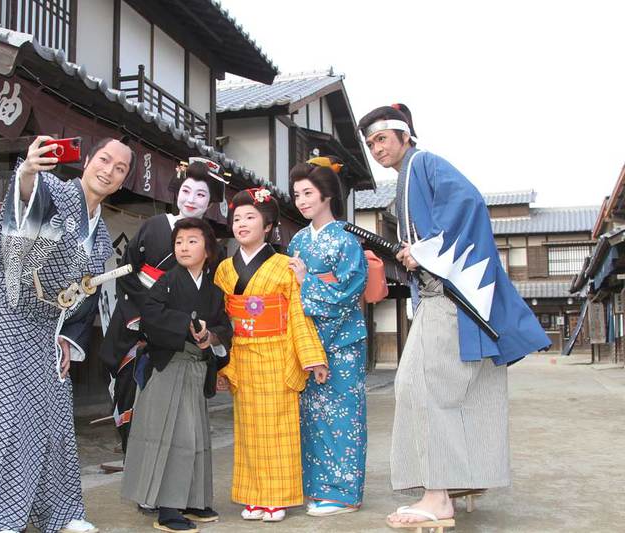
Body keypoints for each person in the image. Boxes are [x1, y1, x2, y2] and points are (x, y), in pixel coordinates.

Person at [356, 104, 550, 530]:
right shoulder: (411, 175)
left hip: (447, 297)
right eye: (370, 144)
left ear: (405, 135)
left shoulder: (423, 163)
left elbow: (468, 204)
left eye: (382, 139)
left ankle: (437, 495)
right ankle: (462, 480)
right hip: (445, 298)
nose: (377, 148)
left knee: (422, 388)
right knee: (461, 389)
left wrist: (424, 251)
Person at [0, 136, 135, 533]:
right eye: (104, 160)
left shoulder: (101, 235)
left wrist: (68, 338)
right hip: (6, 307)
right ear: (87, 160)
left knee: (54, 414)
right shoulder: (51, 188)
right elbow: (23, 207)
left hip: (48, 325)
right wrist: (28, 171)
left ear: (123, 181)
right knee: (7, 413)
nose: (109, 171)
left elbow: (84, 295)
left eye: (120, 169)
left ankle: (61, 513)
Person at [214, 188, 328, 522]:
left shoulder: (285, 266)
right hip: (243, 355)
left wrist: (312, 358)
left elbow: (297, 314)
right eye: (237, 218)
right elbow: (221, 320)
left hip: (277, 355)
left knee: (278, 430)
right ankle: (253, 496)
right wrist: (221, 365)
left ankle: (276, 498)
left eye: (250, 217)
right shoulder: (224, 270)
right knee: (248, 431)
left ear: (267, 226)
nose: (241, 224)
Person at [100, 158, 226, 455]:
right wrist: (146, 318)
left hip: (180, 332)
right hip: (138, 320)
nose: (191, 199)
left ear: (210, 202)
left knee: (176, 408)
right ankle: (135, 460)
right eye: (186, 191)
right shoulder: (154, 226)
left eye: (201, 194)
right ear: (176, 192)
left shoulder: (212, 245)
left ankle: (170, 468)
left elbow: (209, 295)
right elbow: (127, 271)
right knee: (131, 393)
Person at [120, 217, 233, 533]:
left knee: (195, 436)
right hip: (169, 367)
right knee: (174, 438)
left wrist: (210, 336)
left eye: (192, 241)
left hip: (196, 368)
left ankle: (194, 500)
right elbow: (151, 316)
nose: (184, 247)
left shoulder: (213, 292)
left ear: (208, 250)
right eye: (179, 242)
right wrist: (187, 324)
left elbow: (224, 326)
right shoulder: (166, 282)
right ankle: (168, 508)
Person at [287, 159, 368, 516]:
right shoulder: (298, 240)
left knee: (343, 416)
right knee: (311, 417)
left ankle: (346, 494)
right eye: (296, 195)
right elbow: (290, 295)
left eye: (308, 193)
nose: (301, 201)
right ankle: (318, 488)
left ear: (327, 195)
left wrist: (307, 281)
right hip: (309, 341)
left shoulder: (347, 240)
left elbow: (350, 291)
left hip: (342, 343)